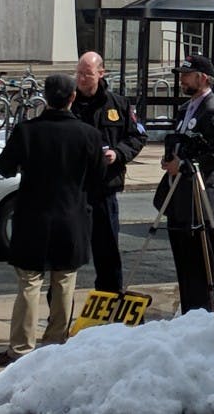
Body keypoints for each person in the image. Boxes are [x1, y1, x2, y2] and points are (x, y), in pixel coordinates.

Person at [0, 74, 105, 367]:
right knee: (64, 281)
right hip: (71, 216)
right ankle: (55, 343)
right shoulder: (88, 134)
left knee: (29, 283)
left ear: (46, 97)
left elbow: (3, 167)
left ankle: (20, 348)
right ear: (72, 98)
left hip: (32, 216)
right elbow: (98, 178)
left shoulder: (27, 131)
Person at [153, 54, 214, 313]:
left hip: (201, 200)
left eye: (187, 75)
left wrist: (184, 165)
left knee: (200, 269)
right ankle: (188, 313)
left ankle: (201, 315)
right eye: (182, 75)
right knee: (184, 267)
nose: (182, 80)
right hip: (179, 198)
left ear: (203, 78)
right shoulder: (185, 108)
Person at [71, 51, 147, 293]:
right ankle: (60, 311)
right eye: (79, 73)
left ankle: (111, 299)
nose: (82, 78)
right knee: (67, 255)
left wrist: (118, 153)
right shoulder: (68, 103)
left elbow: (137, 136)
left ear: (101, 73)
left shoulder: (118, 104)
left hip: (105, 188)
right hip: (75, 190)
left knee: (108, 252)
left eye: (88, 73)